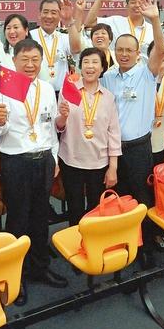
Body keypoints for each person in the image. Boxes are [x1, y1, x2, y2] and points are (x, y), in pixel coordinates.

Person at [0, 39, 64, 304]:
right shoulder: (3, 89)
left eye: (35, 60)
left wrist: (53, 157)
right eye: (25, 59)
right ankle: (15, 277)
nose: (30, 65)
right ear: (14, 61)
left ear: (41, 62)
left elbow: (50, 127)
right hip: (16, 162)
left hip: (43, 160)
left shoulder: (46, 88)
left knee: (40, 217)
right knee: (18, 220)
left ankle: (39, 267)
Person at [100, 0, 164, 252]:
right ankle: (127, 240)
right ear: (114, 51)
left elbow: (160, 49)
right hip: (114, 149)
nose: (124, 54)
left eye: (129, 50)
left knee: (142, 195)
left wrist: (155, 20)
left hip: (139, 147)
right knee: (120, 195)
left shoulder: (146, 72)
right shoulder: (107, 76)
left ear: (138, 53)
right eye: (120, 50)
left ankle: (149, 240)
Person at [55, 47, 121, 225]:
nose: (90, 66)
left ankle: (93, 240)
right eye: (86, 62)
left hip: (99, 162)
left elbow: (114, 133)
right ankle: (75, 240)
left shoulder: (108, 97)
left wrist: (113, 167)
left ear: (102, 68)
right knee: (74, 208)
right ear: (80, 66)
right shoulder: (68, 90)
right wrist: (63, 117)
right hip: (71, 160)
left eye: (95, 62)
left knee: (96, 209)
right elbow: (59, 127)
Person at [84, 0, 155, 60]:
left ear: (146, 5)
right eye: (133, 2)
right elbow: (89, 23)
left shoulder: (152, 29)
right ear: (126, 6)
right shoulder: (115, 21)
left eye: (141, 3)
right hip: (118, 66)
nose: (137, 5)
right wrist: (99, 0)